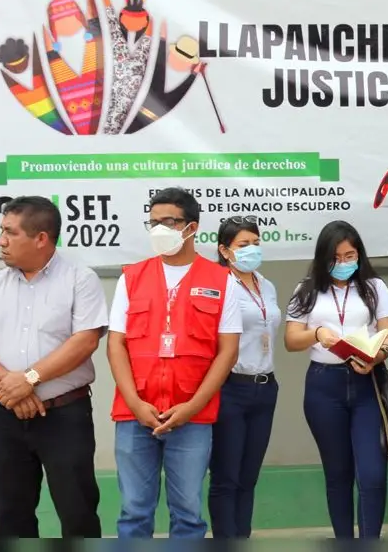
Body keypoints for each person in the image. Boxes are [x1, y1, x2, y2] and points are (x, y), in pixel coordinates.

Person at [0, 196, 108, 537]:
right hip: (5, 417)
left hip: (64, 418)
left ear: (41, 238)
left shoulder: (79, 279)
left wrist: (29, 379)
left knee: (78, 513)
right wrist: (10, 388)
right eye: (2, 231)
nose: (1, 241)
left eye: (10, 233)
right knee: (11, 516)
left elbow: (85, 341)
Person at [107, 187, 242, 539]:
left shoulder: (220, 280)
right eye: (152, 222)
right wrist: (135, 404)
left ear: (192, 227)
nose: (158, 230)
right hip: (135, 413)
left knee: (188, 514)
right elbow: (116, 344)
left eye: (168, 222)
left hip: (192, 415)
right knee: (134, 512)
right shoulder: (131, 277)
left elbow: (227, 351)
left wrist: (192, 406)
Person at [285, 220, 388, 539]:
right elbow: (291, 340)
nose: (344, 263)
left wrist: (377, 356)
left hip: (366, 383)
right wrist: (317, 333)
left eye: (351, 256)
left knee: (373, 473)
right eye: (337, 257)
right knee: (338, 474)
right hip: (324, 386)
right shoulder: (306, 289)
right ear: (324, 258)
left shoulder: (375, 287)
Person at [208, 216, 283, 539]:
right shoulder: (217, 284)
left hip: (265, 387)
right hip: (230, 388)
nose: (252, 250)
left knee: (249, 476)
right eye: (243, 245)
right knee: (227, 477)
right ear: (225, 251)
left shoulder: (266, 285)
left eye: (256, 243)